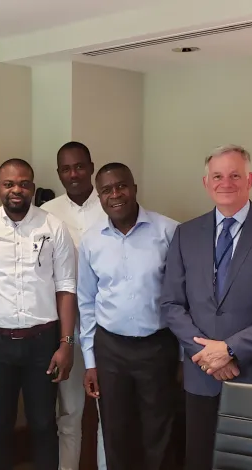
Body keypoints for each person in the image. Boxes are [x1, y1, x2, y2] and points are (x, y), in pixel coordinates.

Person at [160, 144, 252, 470]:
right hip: (202, 377)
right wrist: (209, 356)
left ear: (249, 180)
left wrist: (230, 349)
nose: (226, 183)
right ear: (206, 182)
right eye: (218, 176)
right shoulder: (185, 234)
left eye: (235, 175)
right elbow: (171, 304)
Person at [0, 158, 77, 470]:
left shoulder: (53, 227)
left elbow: (65, 287)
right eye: (9, 184)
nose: (16, 190)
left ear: (33, 188)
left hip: (43, 343)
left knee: (42, 424)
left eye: (23, 183)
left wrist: (66, 344)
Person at [78, 162, 180, 470]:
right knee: (116, 432)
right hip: (111, 350)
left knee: (159, 432)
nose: (115, 194)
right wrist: (90, 360)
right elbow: (86, 301)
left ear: (134, 188)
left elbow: (184, 298)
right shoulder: (91, 241)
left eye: (121, 186)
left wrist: (185, 357)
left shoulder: (169, 231)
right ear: (100, 197)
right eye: (106, 190)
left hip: (157, 346)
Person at [40, 141, 107, 470]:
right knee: (70, 409)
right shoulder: (48, 213)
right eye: (66, 169)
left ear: (91, 166)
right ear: (59, 174)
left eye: (79, 166)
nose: (74, 174)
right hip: (65, 323)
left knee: (108, 410)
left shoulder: (113, 203)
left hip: (108, 322)